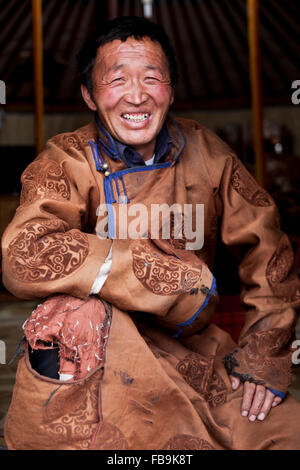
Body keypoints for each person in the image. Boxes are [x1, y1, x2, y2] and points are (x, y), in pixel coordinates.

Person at [2, 16, 300, 450]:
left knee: (286, 430)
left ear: (171, 91)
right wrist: (158, 277)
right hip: (101, 349)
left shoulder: (208, 153)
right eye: (116, 79)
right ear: (89, 94)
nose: (137, 95)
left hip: (196, 349)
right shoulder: (66, 160)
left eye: (152, 78)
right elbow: (23, 253)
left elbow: (269, 248)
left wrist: (264, 355)